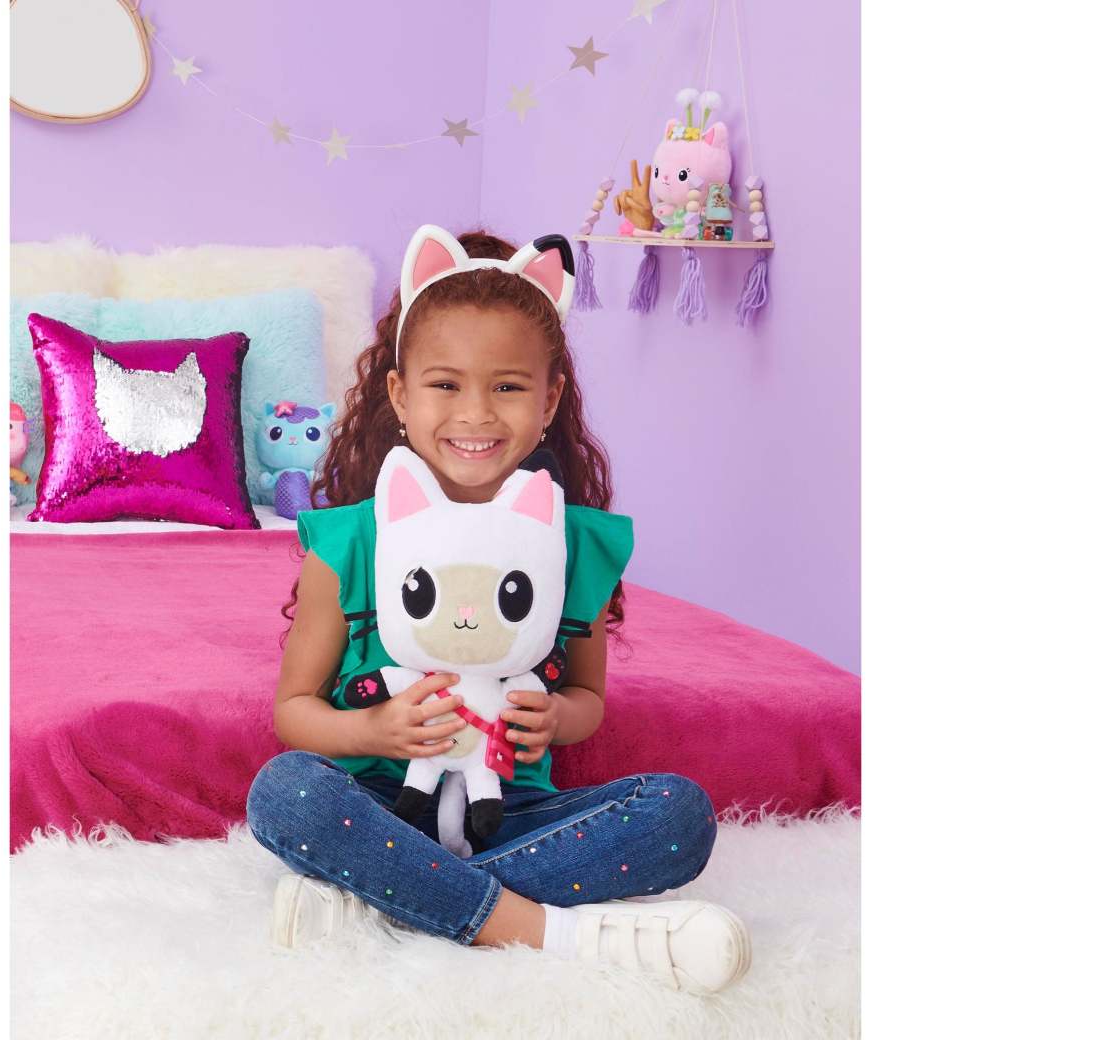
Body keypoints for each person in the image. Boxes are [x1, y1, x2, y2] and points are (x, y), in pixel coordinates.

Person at [245, 225, 750, 994]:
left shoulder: (571, 544)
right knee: (286, 792)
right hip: (379, 807)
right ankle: (544, 930)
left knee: (677, 816)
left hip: (504, 810)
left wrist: (556, 718)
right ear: (400, 395)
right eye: (445, 385)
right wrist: (370, 730)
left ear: (549, 400)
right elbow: (294, 710)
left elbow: (585, 697)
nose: (476, 413)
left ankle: (388, 901)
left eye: (508, 387)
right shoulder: (350, 542)